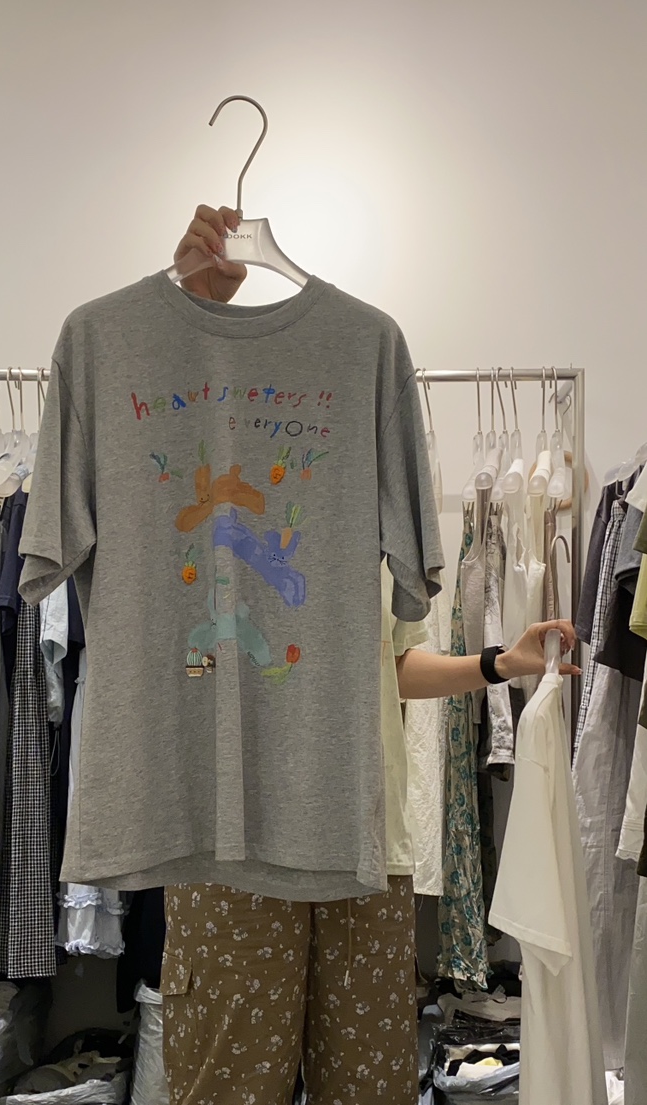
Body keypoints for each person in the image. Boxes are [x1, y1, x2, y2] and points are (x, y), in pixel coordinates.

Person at [161, 207, 581, 1104]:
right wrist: (185, 301)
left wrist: (496, 664)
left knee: (369, 1086)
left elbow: (393, 666)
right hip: (231, 845)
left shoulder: (354, 508)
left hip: (363, 844)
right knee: (226, 1084)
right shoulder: (191, 513)